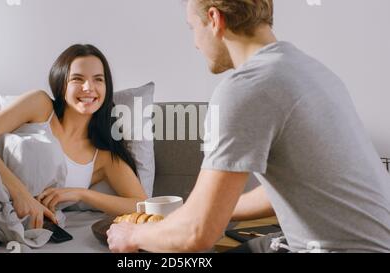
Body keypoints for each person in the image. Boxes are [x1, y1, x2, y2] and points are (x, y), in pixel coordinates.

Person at [107, 0, 390, 253]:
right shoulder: (310, 71)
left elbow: (196, 235)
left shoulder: (247, 87)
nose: (194, 42)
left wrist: (133, 234)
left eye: (193, 27)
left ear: (215, 20)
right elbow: (292, 186)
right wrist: (208, 210)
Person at [0, 44, 147, 252]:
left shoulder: (102, 157)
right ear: (62, 83)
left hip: (6, 217)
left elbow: (141, 204)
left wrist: (82, 194)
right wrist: (22, 194)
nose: (88, 87)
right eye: (77, 79)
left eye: (98, 79)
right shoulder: (40, 106)